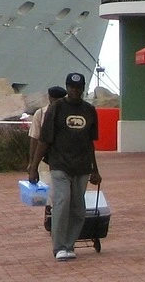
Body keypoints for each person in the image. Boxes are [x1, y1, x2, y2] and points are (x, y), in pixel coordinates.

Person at [27, 72, 101, 261]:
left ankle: (69, 245)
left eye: (78, 88)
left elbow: (90, 142)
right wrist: (33, 166)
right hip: (60, 164)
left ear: (83, 89)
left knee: (78, 207)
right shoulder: (57, 108)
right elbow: (44, 140)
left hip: (82, 166)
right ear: (67, 88)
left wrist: (95, 169)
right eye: (71, 87)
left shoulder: (89, 110)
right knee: (62, 201)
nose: (74, 91)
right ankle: (59, 246)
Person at [26, 86, 67, 179]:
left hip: (64, 160)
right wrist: (32, 163)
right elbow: (34, 139)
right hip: (44, 160)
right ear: (50, 98)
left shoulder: (68, 114)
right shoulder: (40, 114)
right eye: (54, 99)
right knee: (47, 188)